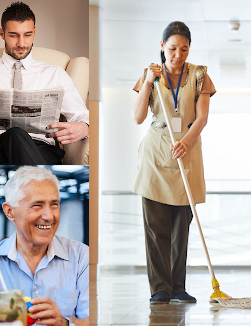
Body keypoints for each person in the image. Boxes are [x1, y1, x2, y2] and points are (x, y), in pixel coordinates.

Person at [0, 2, 89, 165]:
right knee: (15, 134)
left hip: (42, 149)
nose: (21, 43)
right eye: (13, 35)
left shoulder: (55, 73)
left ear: (34, 32)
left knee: (18, 138)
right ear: (2, 33)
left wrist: (83, 127)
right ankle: (45, 183)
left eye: (27, 34)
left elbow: (82, 115)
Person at [131, 21, 216, 304]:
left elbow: (201, 117)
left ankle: (178, 288)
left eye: (184, 49)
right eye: (172, 48)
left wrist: (186, 142)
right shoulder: (150, 75)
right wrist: (146, 83)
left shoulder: (200, 75)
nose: (178, 54)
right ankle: (160, 289)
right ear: (162, 46)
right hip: (157, 153)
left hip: (187, 153)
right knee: (156, 229)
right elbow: (138, 116)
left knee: (181, 228)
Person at [0, 166, 89, 326]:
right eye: (37, 205)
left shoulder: (81, 257)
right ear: (9, 212)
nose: (49, 216)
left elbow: (97, 320)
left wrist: (64, 323)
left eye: (54, 204)